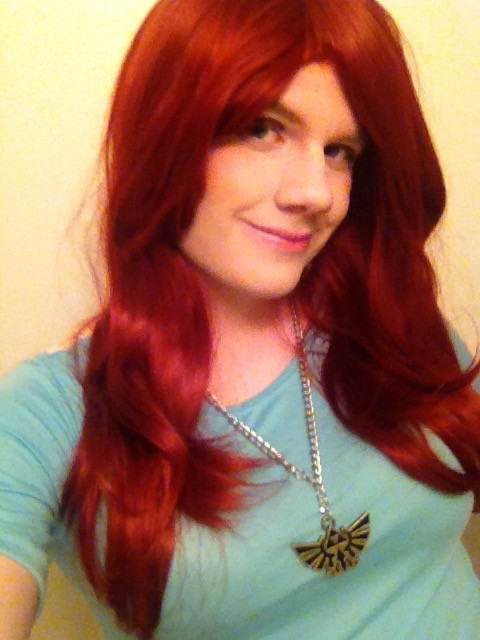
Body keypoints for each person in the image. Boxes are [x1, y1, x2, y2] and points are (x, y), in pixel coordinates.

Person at [1, 0, 479, 638]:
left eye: (341, 151)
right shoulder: (54, 416)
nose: (316, 193)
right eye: (263, 129)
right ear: (163, 134)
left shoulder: (393, 324)